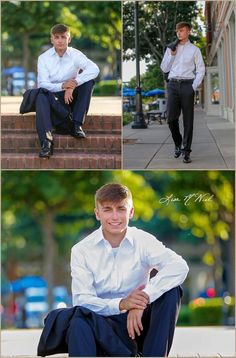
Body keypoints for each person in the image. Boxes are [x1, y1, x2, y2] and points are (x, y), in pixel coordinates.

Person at [66, 183, 189, 357]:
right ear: (97, 213)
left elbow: (179, 266)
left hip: (138, 326)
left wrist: (144, 299)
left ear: (131, 212)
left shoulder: (143, 240)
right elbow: (82, 300)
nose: (115, 216)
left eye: (121, 209)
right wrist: (123, 304)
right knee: (78, 319)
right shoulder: (81, 250)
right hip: (101, 327)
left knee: (172, 291)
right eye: (107, 209)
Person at [36, 24, 99, 158]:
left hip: (71, 99)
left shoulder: (75, 55)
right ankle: (46, 143)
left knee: (88, 82)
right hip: (53, 100)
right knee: (41, 95)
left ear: (69, 39)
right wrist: (63, 86)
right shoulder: (43, 58)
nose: (60, 40)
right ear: (51, 39)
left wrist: (74, 84)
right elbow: (43, 84)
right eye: (56, 37)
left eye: (63, 37)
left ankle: (76, 125)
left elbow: (94, 69)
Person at [161, 22, 205, 164]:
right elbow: (164, 68)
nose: (179, 33)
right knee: (171, 119)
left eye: (182, 30)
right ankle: (178, 143)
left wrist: (193, 86)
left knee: (188, 121)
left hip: (187, 85)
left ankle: (186, 151)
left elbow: (201, 69)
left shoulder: (195, 50)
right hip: (173, 84)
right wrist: (172, 55)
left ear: (189, 32)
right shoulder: (170, 48)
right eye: (177, 31)